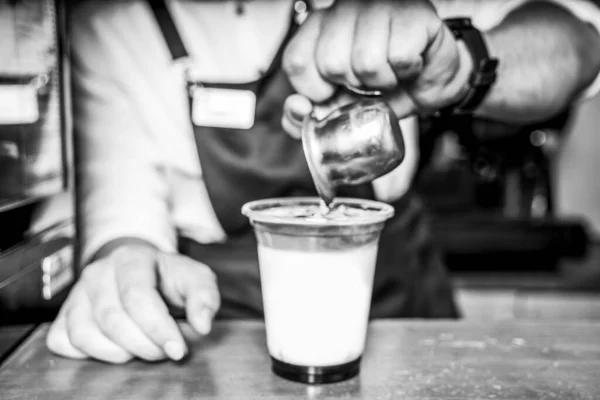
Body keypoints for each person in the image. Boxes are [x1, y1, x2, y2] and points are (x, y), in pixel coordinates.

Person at [45, 0, 600, 364]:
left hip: (400, 308)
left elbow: (580, 46)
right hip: (223, 328)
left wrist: (458, 64)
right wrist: (124, 264)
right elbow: (124, 210)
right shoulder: (107, 20)